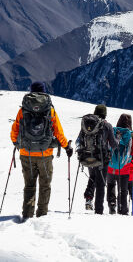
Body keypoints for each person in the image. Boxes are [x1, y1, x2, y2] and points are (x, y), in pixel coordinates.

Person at [10, 81, 73, 220]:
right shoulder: (49, 110)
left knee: (29, 186)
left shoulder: (23, 110)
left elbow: (14, 131)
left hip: (27, 154)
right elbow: (58, 132)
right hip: (45, 154)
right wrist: (66, 147)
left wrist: (17, 144)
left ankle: (27, 215)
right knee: (45, 185)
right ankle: (42, 215)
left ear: (31, 92)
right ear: (44, 92)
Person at [77, 104, 118, 215]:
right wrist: (117, 139)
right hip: (102, 159)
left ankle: (88, 198)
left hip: (88, 156)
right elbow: (114, 144)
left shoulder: (87, 124)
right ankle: (98, 210)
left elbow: (80, 139)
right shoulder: (107, 125)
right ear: (105, 114)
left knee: (92, 177)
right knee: (100, 184)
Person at [107, 114, 133, 215]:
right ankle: (123, 210)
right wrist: (131, 158)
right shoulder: (131, 135)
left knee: (111, 185)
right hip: (124, 168)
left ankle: (112, 206)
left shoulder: (111, 131)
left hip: (111, 166)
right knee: (123, 190)